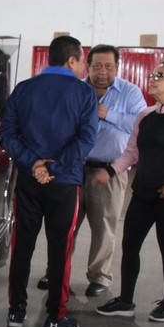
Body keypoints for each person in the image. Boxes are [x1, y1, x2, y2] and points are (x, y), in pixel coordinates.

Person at [94, 60, 164, 322]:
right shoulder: (145, 115)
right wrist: (110, 171)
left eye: (160, 75)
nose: (153, 79)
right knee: (129, 246)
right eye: (153, 74)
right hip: (143, 192)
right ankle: (125, 301)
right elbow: (132, 152)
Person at [0, 35, 98, 327]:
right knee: (60, 250)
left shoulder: (23, 89)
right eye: (83, 61)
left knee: (22, 248)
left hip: (29, 182)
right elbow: (86, 139)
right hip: (64, 184)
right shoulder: (84, 94)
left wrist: (35, 164)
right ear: (71, 60)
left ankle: (16, 312)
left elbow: (8, 137)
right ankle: (56, 317)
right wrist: (54, 166)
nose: (84, 67)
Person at [38, 45, 146, 298]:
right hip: (72, 169)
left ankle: (99, 278)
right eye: (97, 66)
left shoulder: (129, 93)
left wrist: (108, 114)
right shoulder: (75, 89)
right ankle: (55, 271)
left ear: (117, 67)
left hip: (109, 171)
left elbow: (142, 123)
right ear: (87, 66)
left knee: (104, 227)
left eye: (109, 66)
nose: (102, 72)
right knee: (63, 225)